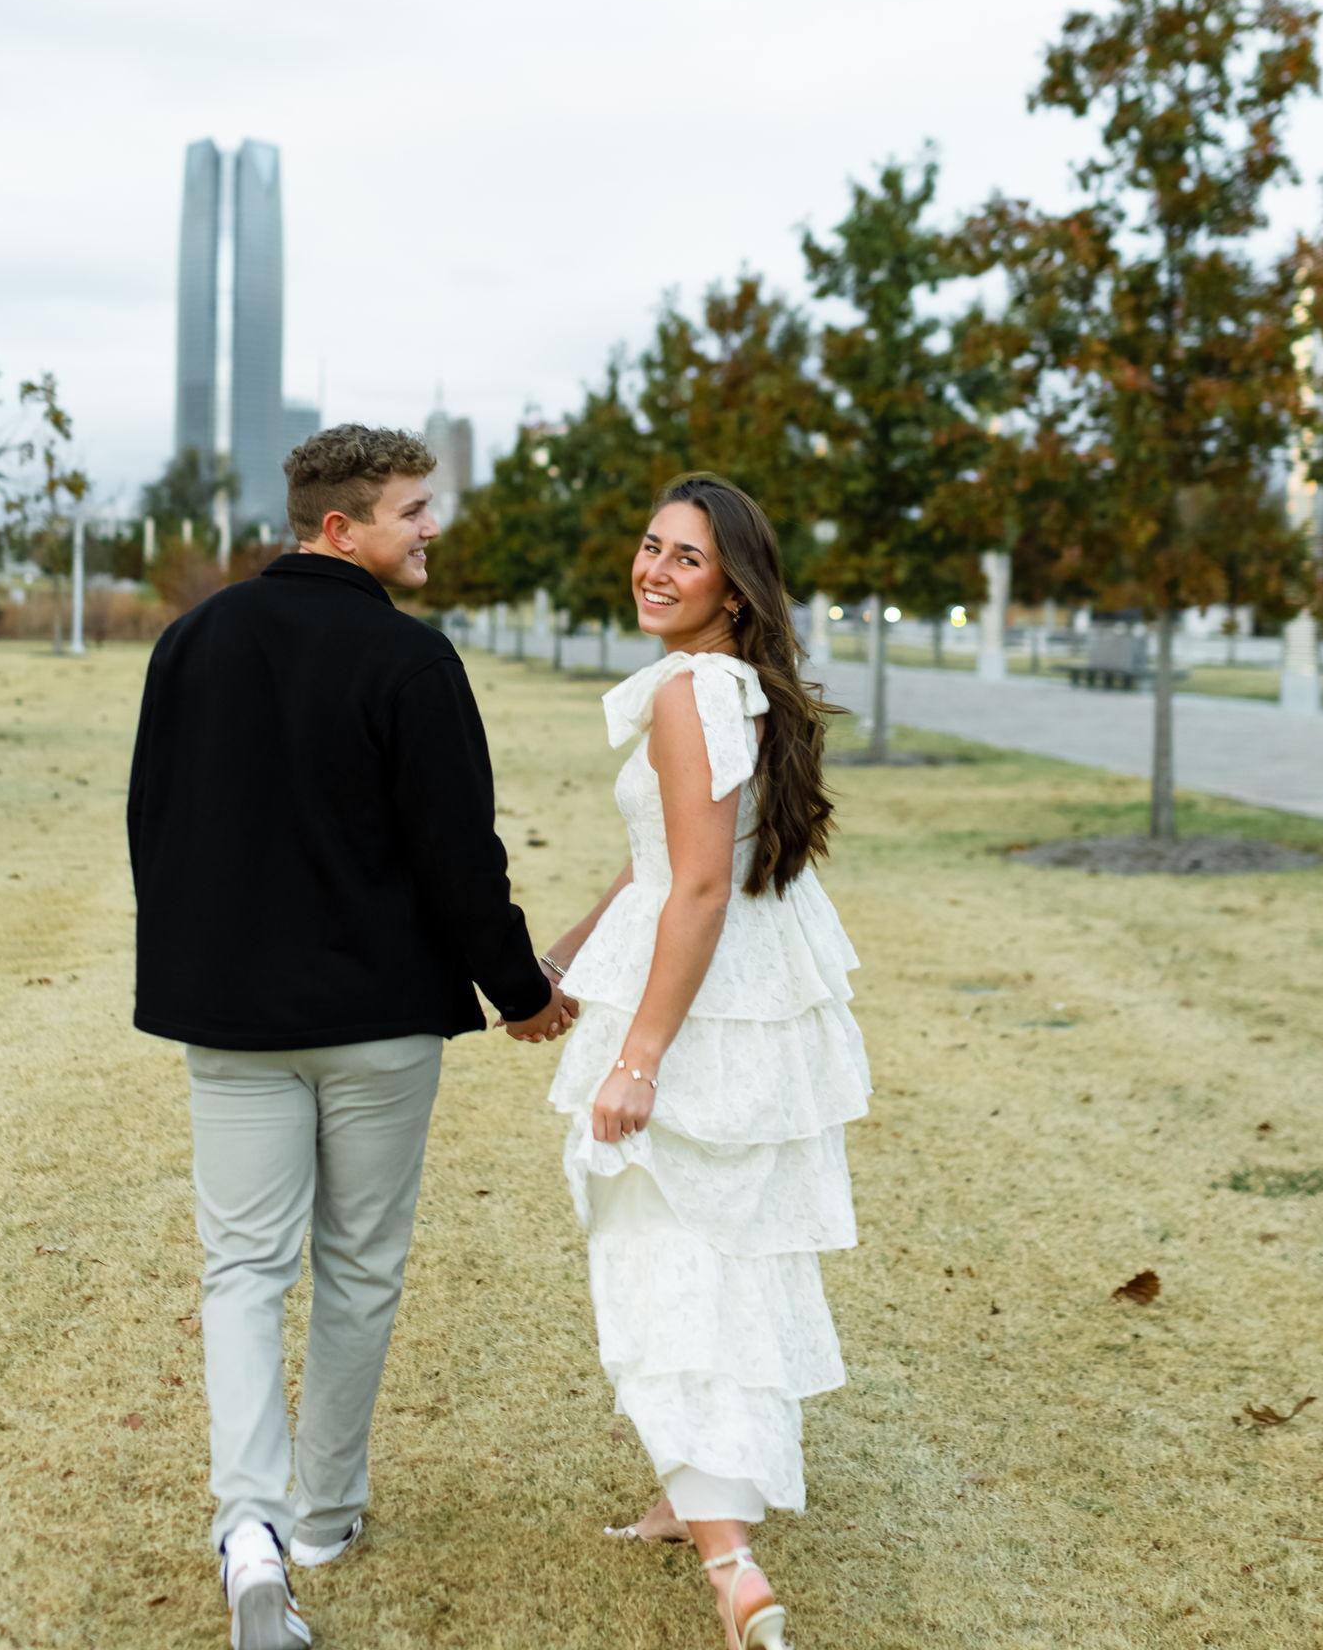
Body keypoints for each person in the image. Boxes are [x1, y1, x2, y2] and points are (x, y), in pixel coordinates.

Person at [127, 423, 576, 1650]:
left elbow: (152, 825)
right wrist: (520, 989)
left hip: (230, 1018)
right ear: (340, 527)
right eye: (412, 509)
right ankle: (321, 1517)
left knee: (241, 1270)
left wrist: (188, 974)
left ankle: (250, 1527)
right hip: (378, 1024)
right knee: (358, 1265)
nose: (432, 527)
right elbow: (459, 854)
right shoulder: (411, 659)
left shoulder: (190, 641)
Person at [542, 472, 867, 1650]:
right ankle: (693, 1498)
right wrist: (563, 957)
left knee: (664, 1256)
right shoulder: (738, 688)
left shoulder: (690, 692)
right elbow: (669, 859)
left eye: (686, 556)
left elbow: (695, 887)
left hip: (696, 1011)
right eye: (649, 546)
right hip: (736, 997)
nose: (653, 569)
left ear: (734, 587)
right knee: (720, 1244)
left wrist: (637, 1055)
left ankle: (732, 1562)